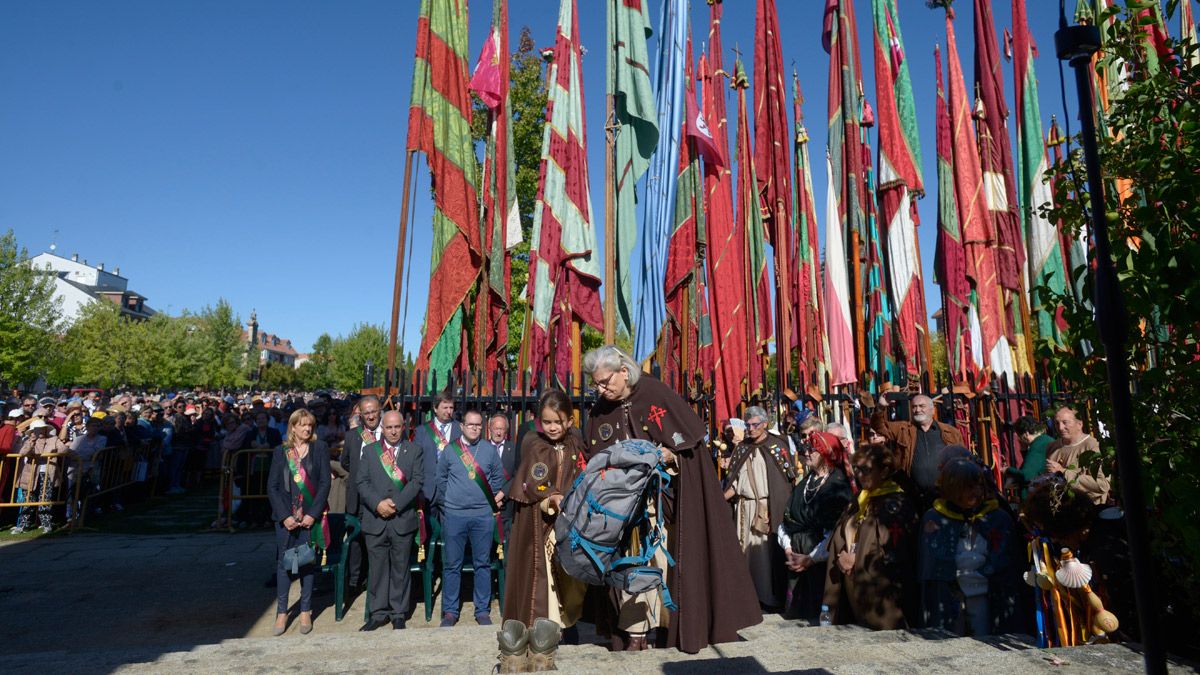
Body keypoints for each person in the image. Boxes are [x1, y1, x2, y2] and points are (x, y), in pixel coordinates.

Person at [582, 345, 761, 653]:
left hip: (660, 505)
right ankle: (633, 630)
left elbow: (687, 446)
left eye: (604, 381)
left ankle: (662, 627)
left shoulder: (656, 394)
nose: (600, 389)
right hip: (619, 509)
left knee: (659, 563)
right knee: (624, 565)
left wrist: (667, 455)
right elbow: (594, 453)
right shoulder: (602, 408)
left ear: (624, 372)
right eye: (595, 383)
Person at [502, 390, 587, 634]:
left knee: (572, 576)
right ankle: (548, 628)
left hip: (572, 520)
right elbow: (529, 482)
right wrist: (549, 497)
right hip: (540, 522)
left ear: (569, 421)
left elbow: (583, 472)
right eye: (547, 422)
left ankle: (569, 620)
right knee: (545, 577)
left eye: (558, 422)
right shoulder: (532, 441)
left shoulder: (575, 441)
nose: (552, 427)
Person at [823, 443, 920, 630]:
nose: (859, 474)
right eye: (856, 469)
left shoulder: (896, 504)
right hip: (852, 589)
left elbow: (896, 553)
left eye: (866, 469)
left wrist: (855, 560)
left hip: (880, 599)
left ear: (883, 471)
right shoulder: (861, 498)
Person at [919, 458, 1020, 636]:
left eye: (978, 486)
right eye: (967, 487)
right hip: (950, 595)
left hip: (986, 596)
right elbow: (931, 564)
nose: (975, 492)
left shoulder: (997, 517)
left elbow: (1006, 561)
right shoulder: (935, 518)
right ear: (952, 488)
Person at [435, 409, 505, 627]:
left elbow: (497, 477)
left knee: (482, 564)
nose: (474, 428)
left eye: (478, 425)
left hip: (482, 516)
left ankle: (482, 610)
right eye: (470, 424)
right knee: (452, 565)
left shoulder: (488, 450)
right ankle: (450, 611)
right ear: (462, 426)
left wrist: (485, 501)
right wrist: (452, 501)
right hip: (455, 515)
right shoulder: (449, 450)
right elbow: (441, 479)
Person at [724, 405, 797, 611]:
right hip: (743, 509)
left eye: (755, 424)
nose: (750, 428)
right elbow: (734, 483)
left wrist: (777, 510)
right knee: (743, 555)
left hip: (767, 508)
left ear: (765, 424)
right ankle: (746, 598)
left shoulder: (777, 446)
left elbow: (784, 483)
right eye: (747, 425)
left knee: (764, 558)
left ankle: (768, 598)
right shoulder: (742, 448)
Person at [356, 411, 424, 631]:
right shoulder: (369, 451)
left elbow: (416, 482)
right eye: (389, 427)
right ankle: (378, 613)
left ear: (403, 427)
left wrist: (395, 504)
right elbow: (362, 483)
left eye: (397, 427)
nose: (393, 431)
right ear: (382, 429)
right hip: (375, 519)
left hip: (402, 518)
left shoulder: (414, 451)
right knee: (376, 568)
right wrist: (378, 504)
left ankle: (398, 613)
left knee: (400, 567)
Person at [266, 408, 330, 636]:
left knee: (306, 562)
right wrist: (284, 516)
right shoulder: (281, 451)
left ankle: (305, 609)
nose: (306, 428)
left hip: (309, 517)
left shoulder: (319, 448)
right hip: (286, 517)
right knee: (284, 563)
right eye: (302, 424)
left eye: (310, 424)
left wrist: (313, 513)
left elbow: (324, 483)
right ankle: (281, 612)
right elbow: (272, 487)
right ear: (292, 427)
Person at [778, 431, 853, 623]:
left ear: (825, 454)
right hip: (795, 559)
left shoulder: (838, 486)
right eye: (807, 449)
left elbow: (838, 533)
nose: (807, 453)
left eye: (813, 450)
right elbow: (787, 521)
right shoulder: (805, 483)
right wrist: (788, 548)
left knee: (819, 618)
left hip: (821, 563)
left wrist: (810, 559)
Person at [871, 394, 964, 509]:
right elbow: (879, 426)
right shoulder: (903, 429)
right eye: (914, 406)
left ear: (932, 410)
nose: (917, 410)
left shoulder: (951, 432)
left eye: (922, 406)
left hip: (946, 496)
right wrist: (880, 407)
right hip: (914, 498)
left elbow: (963, 462)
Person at [341, 395, 382, 593]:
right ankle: (354, 580)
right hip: (357, 497)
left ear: (380, 410)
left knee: (377, 539)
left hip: (381, 496)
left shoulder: (388, 433)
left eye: (374, 411)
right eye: (367, 413)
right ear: (361, 415)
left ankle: (374, 577)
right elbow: (345, 462)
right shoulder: (352, 436)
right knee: (356, 540)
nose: (371, 416)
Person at [12, 419, 69, 534]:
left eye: (42, 429)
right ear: (33, 431)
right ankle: (23, 525)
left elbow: (64, 450)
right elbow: (23, 453)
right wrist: (31, 441)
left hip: (47, 473)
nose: (40, 431)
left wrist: (55, 450)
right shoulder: (28, 441)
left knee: (45, 499)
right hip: (30, 474)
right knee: (28, 499)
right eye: (37, 429)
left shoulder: (53, 439)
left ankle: (46, 524)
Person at [1044, 406, 1110, 505]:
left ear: (1079, 424)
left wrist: (1063, 472)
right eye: (1057, 423)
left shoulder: (1093, 447)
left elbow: (1102, 485)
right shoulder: (1052, 447)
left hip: (1086, 511)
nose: (1060, 427)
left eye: (1065, 422)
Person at [417, 391, 462, 505]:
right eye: (445, 407)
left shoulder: (460, 429)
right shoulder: (422, 431)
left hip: (451, 490)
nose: (448, 411)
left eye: (451, 407)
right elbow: (416, 461)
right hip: (427, 490)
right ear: (435, 408)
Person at [488, 413, 519, 547]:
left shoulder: (514, 449)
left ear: (506, 430)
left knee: (506, 545)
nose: (498, 432)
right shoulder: (481, 447)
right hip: (485, 505)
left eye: (501, 429)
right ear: (490, 429)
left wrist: (501, 496)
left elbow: (517, 475)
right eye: (496, 428)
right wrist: (491, 499)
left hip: (506, 505)